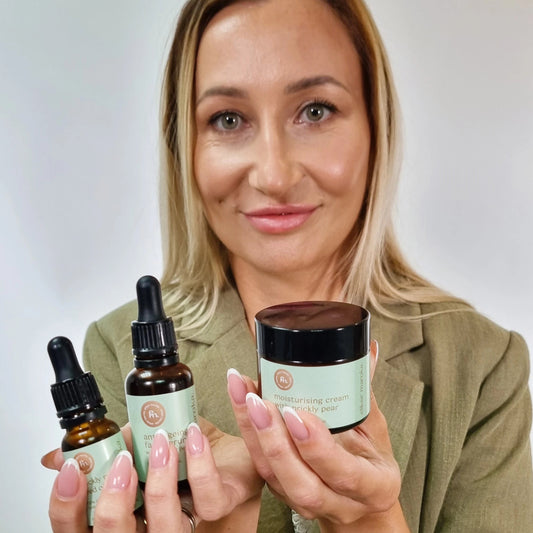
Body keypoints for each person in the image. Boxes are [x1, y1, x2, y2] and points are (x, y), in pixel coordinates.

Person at [42, 0, 533, 531]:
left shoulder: (482, 365)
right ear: (185, 148)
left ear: (377, 127)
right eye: (228, 119)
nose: (274, 176)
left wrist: (371, 520)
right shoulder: (119, 351)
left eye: (316, 111)